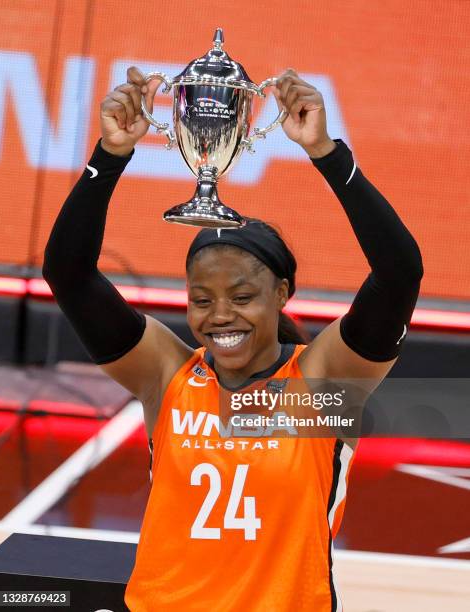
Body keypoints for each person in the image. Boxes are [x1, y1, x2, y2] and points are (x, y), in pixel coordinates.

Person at [42, 67, 423, 611]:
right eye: (201, 300)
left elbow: (400, 272)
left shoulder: (323, 384)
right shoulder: (168, 374)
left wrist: (326, 152)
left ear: (282, 294)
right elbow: (69, 273)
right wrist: (109, 154)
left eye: (242, 298)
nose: (220, 316)